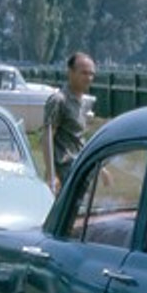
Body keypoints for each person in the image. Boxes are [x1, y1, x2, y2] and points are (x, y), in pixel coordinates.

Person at [42, 51, 96, 193]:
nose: (89, 78)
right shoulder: (59, 100)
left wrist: (101, 168)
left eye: (91, 74)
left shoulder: (84, 102)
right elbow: (47, 137)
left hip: (80, 168)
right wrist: (51, 175)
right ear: (70, 72)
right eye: (84, 73)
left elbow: (79, 138)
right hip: (64, 170)